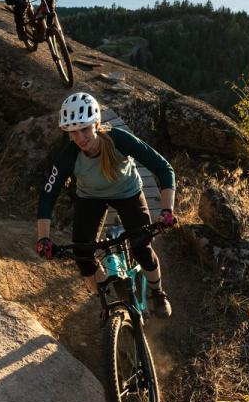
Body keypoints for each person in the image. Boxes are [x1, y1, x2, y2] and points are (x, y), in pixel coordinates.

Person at [35, 92, 178, 317]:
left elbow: (164, 169)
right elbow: (48, 195)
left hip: (128, 193)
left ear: (96, 123)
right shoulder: (69, 155)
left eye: (85, 128)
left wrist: (167, 210)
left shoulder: (118, 139)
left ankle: (157, 292)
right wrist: (43, 238)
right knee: (84, 257)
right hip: (90, 198)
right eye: (73, 131)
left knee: (141, 247)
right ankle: (108, 302)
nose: (80, 137)